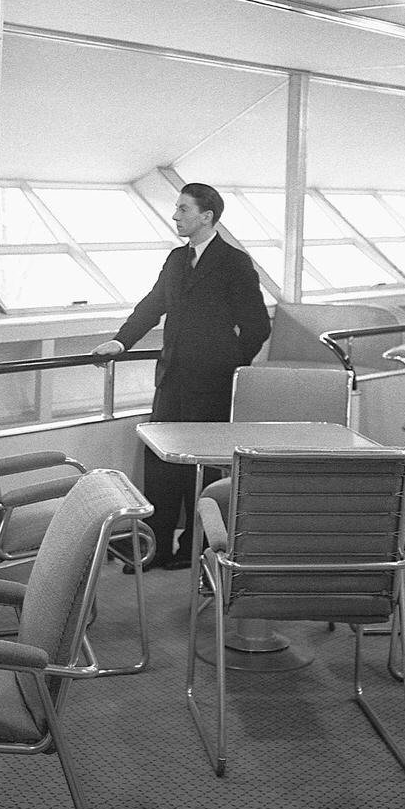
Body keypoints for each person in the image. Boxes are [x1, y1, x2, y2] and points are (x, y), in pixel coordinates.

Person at [92, 182, 271, 570]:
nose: (175, 216)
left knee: (202, 467)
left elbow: (257, 325)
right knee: (161, 462)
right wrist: (119, 343)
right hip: (172, 376)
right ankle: (156, 547)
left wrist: (229, 363)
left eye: (183, 209)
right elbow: (152, 306)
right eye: (176, 208)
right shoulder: (176, 259)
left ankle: (196, 549)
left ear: (206, 216)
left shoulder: (234, 262)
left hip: (213, 381)